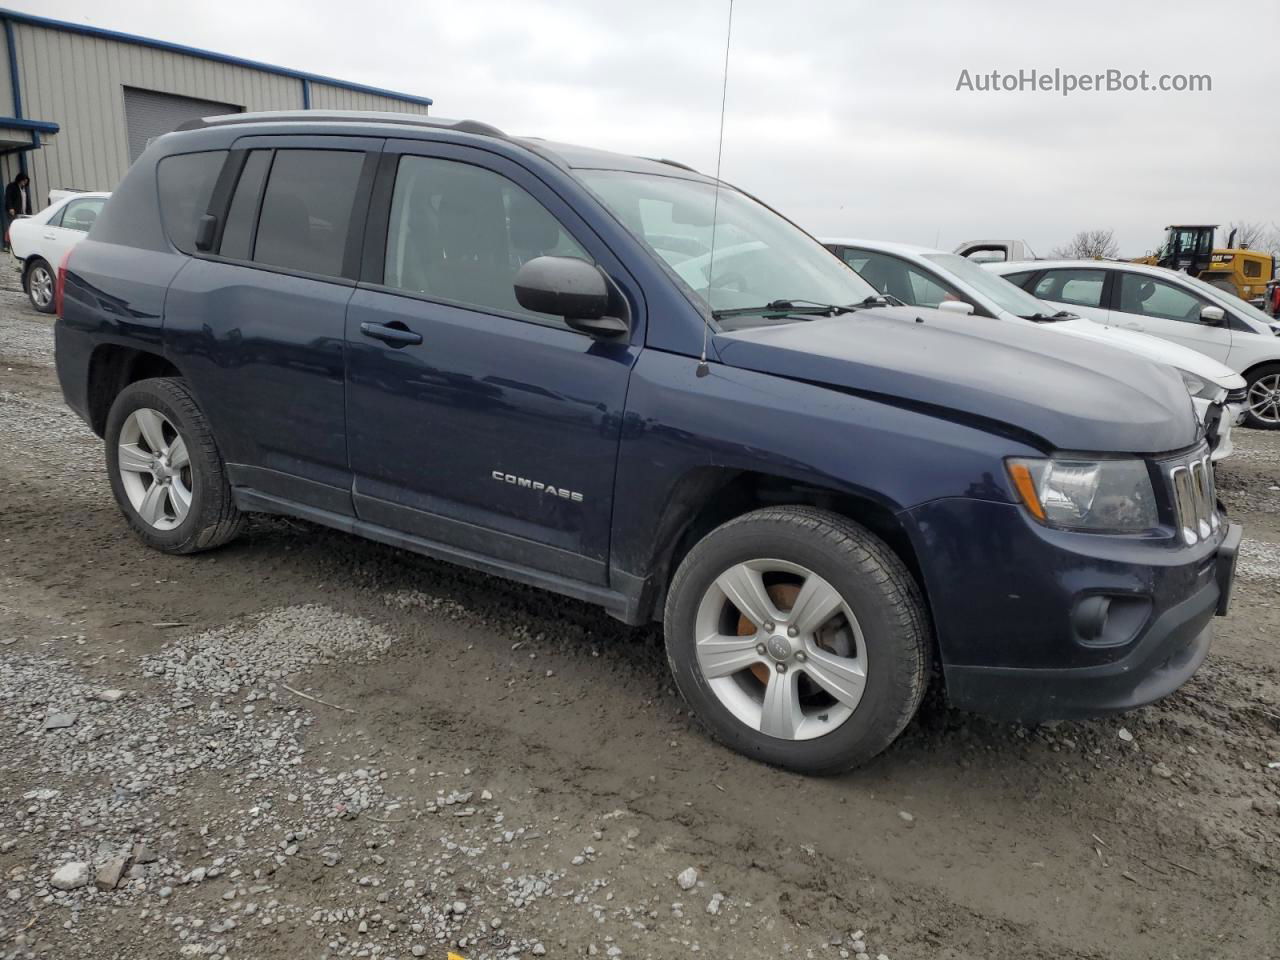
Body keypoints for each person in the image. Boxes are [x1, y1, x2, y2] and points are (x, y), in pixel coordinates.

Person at [4, 172, 32, 251]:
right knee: (11, 228)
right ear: (19, 179)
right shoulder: (11, 186)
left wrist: (29, 211)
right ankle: (7, 245)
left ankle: (18, 245)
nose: (24, 183)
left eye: (26, 182)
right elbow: (8, 198)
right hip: (13, 212)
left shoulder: (24, 189)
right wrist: (10, 208)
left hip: (22, 213)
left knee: (20, 229)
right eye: (23, 181)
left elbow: (26, 200)